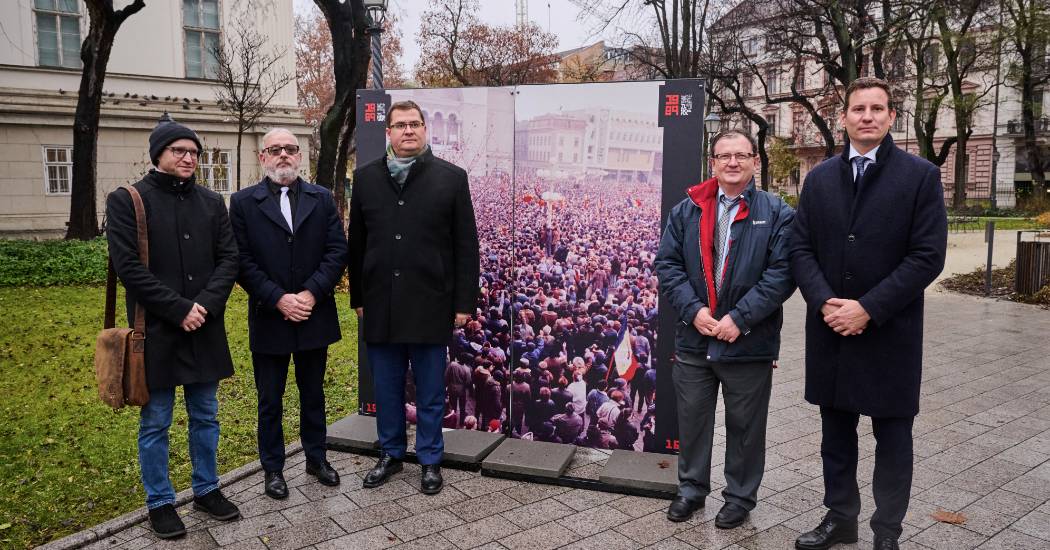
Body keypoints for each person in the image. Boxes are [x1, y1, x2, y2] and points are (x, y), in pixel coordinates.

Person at [789, 77, 947, 550]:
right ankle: (840, 518)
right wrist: (824, 302)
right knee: (836, 436)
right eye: (858, 108)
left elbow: (926, 256)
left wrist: (868, 309)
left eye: (878, 108)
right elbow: (800, 248)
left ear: (891, 116)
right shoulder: (818, 179)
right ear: (844, 117)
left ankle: (887, 532)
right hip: (832, 329)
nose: (867, 116)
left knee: (893, 439)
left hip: (889, 332)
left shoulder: (919, 176)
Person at [105, 114, 241, 538]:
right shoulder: (127, 200)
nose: (188, 158)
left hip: (205, 327)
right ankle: (160, 502)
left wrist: (203, 305)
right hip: (157, 331)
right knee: (156, 422)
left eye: (194, 152)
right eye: (179, 151)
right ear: (158, 154)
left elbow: (229, 259)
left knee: (206, 416)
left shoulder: (211, 202)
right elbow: (128, 267)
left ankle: (207, 489)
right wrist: (179, 308)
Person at [654, 129, 795, 527]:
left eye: (741, 155)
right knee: (693, 422)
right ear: (712, 162)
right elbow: (667, 266)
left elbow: (783, 273)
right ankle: (691, 489)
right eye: (724, 156)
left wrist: (740, 318)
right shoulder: (687, 210)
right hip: (694, 339)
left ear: (755, 161)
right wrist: (694, 311)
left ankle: (739, 497)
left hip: (749, 342)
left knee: (746, 427)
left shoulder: (777, 212)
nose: (733, 163)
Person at [349, 100, 481, 495]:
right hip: (380, 303)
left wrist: (463, 305)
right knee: (387, 388)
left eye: (415, 124)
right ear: (387, 132)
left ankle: (429, 459)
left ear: (426, 129)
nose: (408, 131)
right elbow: (356, 244)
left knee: (429, 391)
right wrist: (358, 295)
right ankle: (390, 453)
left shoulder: (451, 178)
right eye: (400, 125)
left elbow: (466, 247)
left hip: (430, 303)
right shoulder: (367, 178)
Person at [229, 128, 348, 500]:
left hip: (314, 314)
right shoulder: (243, 203)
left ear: (300, 156)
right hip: (270, 315)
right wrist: (278, 298)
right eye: (275, 149)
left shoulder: (322, 198)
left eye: (291, 149)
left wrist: (311, 293)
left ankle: (317, 458)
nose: (284, 155)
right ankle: (273, 469)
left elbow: (337, 250)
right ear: (262, 157)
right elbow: (241, 260)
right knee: (270, 398)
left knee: (313, 393)